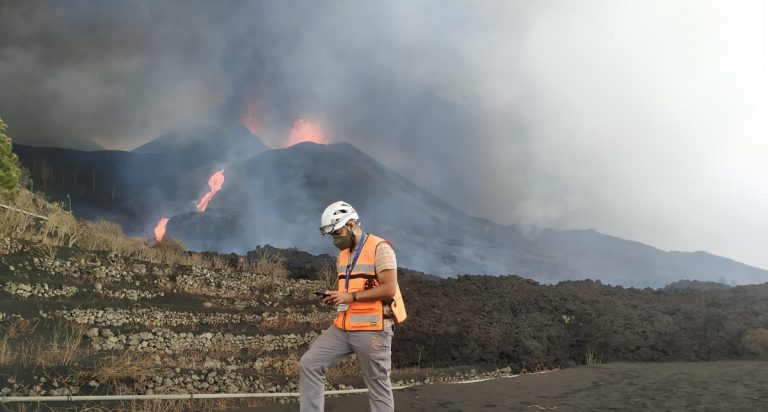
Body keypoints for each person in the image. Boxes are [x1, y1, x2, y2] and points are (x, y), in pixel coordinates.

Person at [299, 201, 407, 412]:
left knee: (378, 384)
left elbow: (389, 289)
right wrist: (335, 297)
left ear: (350, 225)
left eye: (336, 232)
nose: (335, 239)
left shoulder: (380, 248)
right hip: (343, 327)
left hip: (373, 328)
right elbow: (350, 288)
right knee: (310, 363)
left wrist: (349, 297)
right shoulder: (344, 254)